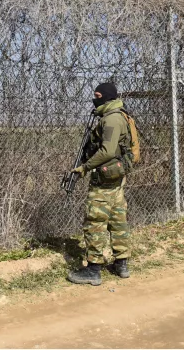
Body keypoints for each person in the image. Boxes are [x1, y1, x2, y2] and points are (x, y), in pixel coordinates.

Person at [67, 82, 131, 285]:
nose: (95, 99)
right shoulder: (118, 115)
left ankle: (93, 269)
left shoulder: (112, 119)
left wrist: (84, 167)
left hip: (104, 179)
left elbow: (108, 151)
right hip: (115, 178)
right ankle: (121, 264)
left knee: (95, 220)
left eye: (98, 95)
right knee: (117, 218)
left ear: (107, 97)